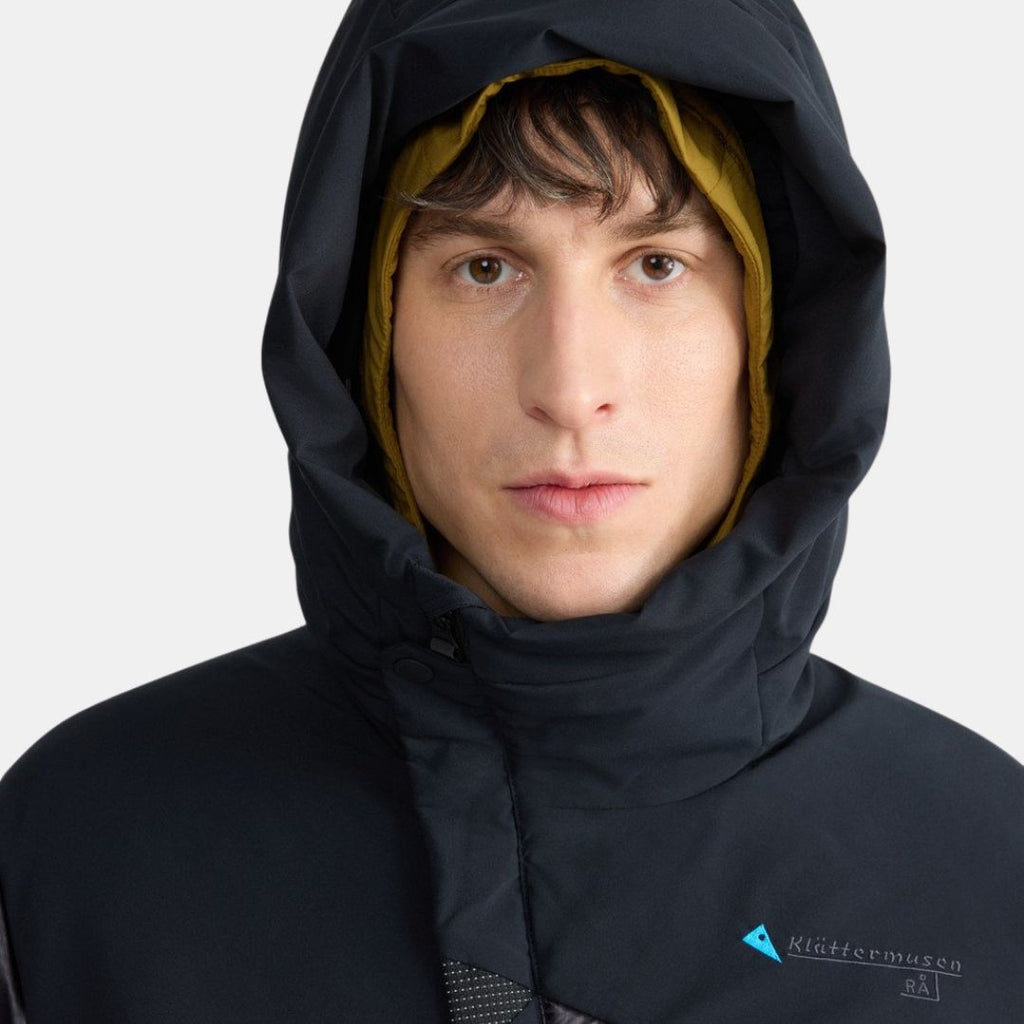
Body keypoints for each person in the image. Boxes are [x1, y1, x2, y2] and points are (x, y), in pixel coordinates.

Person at [2, 1, 1022, 1022]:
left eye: (656, 264)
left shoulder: (988, 873)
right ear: (365, 329)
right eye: (484, 268)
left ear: (777, 334)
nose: (570, 389)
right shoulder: (78, 853)